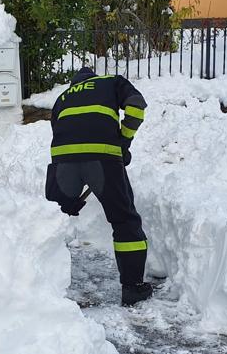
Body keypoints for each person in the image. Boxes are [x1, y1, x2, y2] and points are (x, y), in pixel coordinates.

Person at [45, 67, 152, 306]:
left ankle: (36, 282)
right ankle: (133, 287)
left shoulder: (63, 97)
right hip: (102, 160)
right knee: (124, 220)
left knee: (47, 219)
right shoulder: (111, 82)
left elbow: (62, 132)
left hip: (63, 162)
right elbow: (136, 105)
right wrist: (124, 141)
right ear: (93, 78)